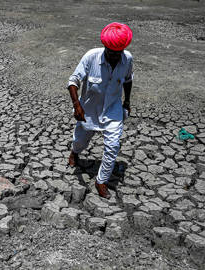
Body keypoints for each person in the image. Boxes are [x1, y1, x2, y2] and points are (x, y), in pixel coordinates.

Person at [67, 22, 133, 199]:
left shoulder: (127, 59)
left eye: (117, 53)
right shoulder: (91, 57)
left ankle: (101, 181)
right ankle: (74, 152)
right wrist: (77, 105)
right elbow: (73, 81)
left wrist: (127, 102)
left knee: (112, 146)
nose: (113, 56)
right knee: (80, 141)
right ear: (105, 46)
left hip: (112, 110)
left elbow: (127, 80)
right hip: (88, 109)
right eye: (110, 51)